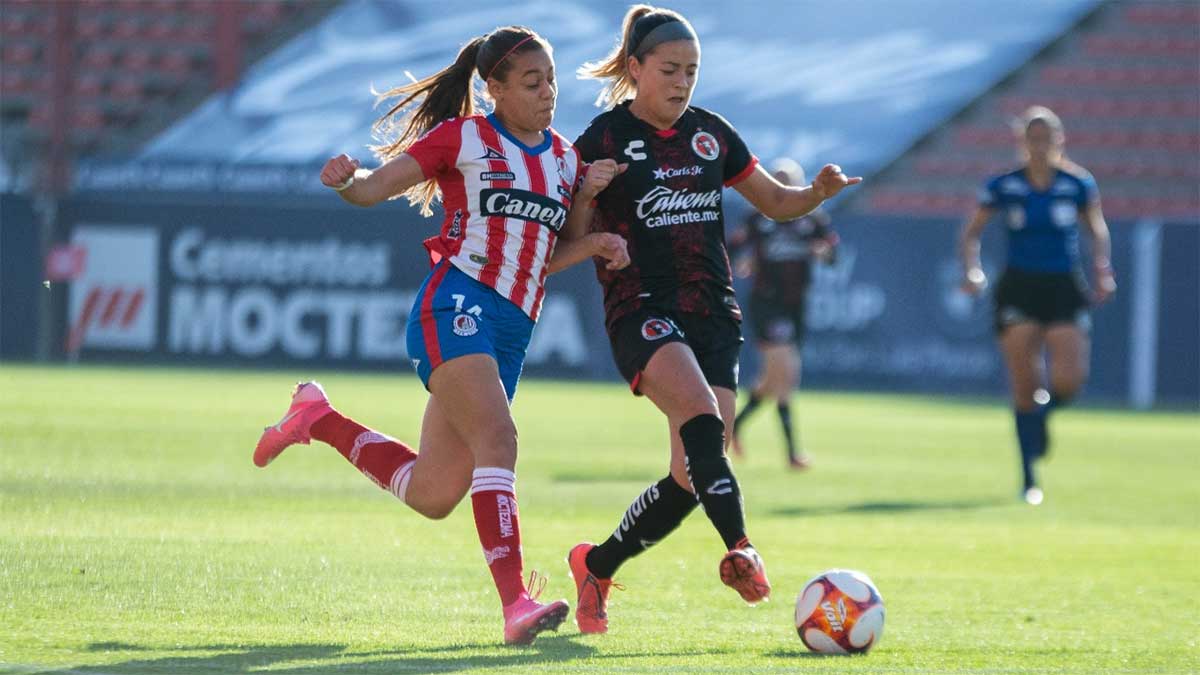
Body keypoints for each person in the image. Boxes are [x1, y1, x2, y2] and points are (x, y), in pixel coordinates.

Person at [251, 26, 629, 645]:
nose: (547, 93)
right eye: (531, 82)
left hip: (512, 330)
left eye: (552, 80)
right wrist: (349, 180)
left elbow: (545, 255)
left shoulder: (565, 158)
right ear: (494, 89)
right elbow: (374, 188)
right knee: (498, 439)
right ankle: (515, 606)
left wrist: (590, 231)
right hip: (455, 304)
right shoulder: (465, 137)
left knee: (432, 493)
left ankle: (316, 418)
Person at [563, 5, 861, 634]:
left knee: (692, 474)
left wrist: (817, 195)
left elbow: (776, 202)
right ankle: (740, 546)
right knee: (701, 419)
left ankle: (597, 565)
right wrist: (588, 194)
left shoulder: (712, 135)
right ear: (636, 68)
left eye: (692, 71)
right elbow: (570, 236)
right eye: (669, 69)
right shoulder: (601, 141)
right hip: (639, 308)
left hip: (713, 313)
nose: (681, 82)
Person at [959, 105, 1116, 506]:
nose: (1040, 146)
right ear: (1022, 142)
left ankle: (1041, 422)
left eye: (1047, 138)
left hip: (1063, 284)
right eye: (1033, 138)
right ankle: (1029, 477)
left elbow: (1097, 229)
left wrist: (1102, 269)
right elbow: (972, 233)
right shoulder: (1003, 185)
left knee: (1069, 378)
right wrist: (972, 270)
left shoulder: (1077, 183)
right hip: (1019, 287)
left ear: (1060, 141)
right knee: (1025, 384)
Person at [728, 158, 839, 470]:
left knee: (772, 381)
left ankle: (733, 426)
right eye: (777, 180)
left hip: (795, 304)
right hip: (767, 302)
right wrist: (743, 261)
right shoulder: (757, 219)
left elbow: (833, 253)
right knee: (787, 377)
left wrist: (825, 253)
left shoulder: (813, 218)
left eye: (788, 180)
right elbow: (732, 249)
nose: (782, 185)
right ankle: (792, 454)